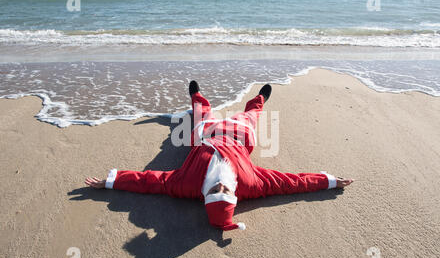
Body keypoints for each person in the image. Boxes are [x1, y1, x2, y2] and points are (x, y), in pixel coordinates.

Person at [85, 81, 354, 231]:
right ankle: (260, 98)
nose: (221, 184)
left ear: (205, 194)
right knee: (251, 115)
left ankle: (196, 95)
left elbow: (149, 181)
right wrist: (328, 180)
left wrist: (111, 181)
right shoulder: (252, 185)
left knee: (200, 112)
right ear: (235, 196)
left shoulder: (185, 186)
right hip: (239, 134)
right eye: (226, 190)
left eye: (216, 189)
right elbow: (290, 183)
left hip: (207, 134)